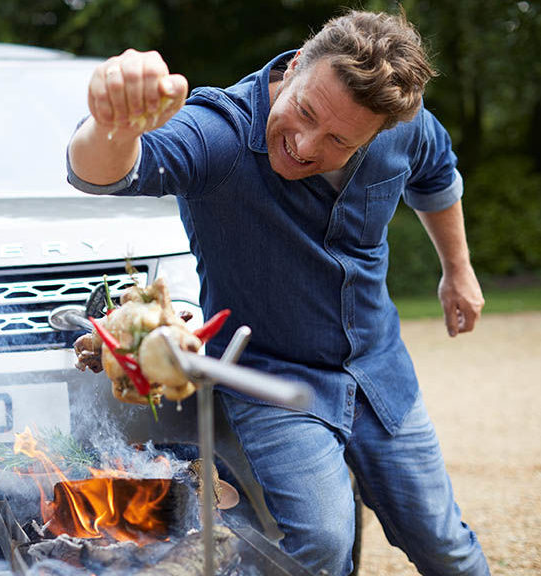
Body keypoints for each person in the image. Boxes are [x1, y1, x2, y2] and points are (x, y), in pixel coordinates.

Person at [66, 9, 490, 576]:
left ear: (377, 133)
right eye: (305, 111)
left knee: (445, 547)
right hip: (274, 379)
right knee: (320, 544)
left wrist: (457, 270)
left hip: (380, 370)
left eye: (339, 140)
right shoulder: (218, 133)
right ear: (293, 68)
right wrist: (112, 124)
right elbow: (104, 173)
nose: (306, 143)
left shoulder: (402, 126)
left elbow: (437, 174)